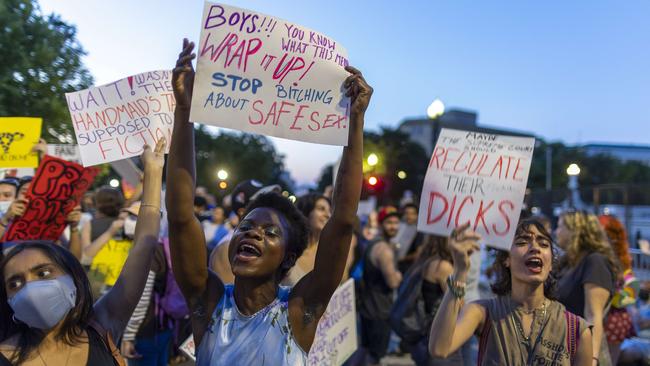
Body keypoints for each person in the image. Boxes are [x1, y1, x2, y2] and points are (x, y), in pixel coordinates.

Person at [166, 39, 371, 365]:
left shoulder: (300, 311)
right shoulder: (209, 304)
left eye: (269, 232)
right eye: (246, 227)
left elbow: (343, 220)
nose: (252, 234)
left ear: (288, 256)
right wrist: (183, 112)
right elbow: (179, 218)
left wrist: (355, 123)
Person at [0, 139, 166, 365]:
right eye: (15, 283)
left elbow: (144, 247)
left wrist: (154, 173)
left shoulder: (102, 325)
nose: (30, 287)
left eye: (43, 273)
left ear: (73, 278)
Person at [429, 219, 593, 365]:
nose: (535, 247)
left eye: (543, 244)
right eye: (522, 242)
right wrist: (460, 270)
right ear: (506, 259)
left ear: (550, 263)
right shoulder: (483, 312)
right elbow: (439, 348)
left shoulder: (576, 330)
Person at [556, 211, 620, 365]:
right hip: (562, 350)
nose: (555, 231)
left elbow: (593, 316)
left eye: (560, 226)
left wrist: (591, 359)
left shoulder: (595, 262)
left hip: (582, 354)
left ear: (575, 230)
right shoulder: (568, 262)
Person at [391, 234, 463, 365]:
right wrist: (462, 270)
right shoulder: (444, 266)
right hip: (437, 338)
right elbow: (458, 303)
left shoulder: (427, 260)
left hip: (423, 339)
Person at [209, 179, 281, 283]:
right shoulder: (227, 249)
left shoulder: (263, 243)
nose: (271, 207)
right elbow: (230, 297)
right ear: (243, 212)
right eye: (263, 202)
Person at [359, 206, 403, 366]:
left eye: (397, 222)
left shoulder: (373, 243)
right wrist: (399, 275)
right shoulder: (384, 249)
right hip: (379, 311)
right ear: (381, 223)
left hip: (368, 307)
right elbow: (393, 282)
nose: (394, 226)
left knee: (364, 349)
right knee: (374, 356)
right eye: (389, 222)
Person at [282, 193, 357, 286]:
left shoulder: (331, 252)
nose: (328, 215)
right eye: (321, 209)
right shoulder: (288, 251)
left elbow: (343, 281)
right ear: (306, 212)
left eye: (330, 211)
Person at [394, 203, 424, 273]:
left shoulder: (419, 232)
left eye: (412, 214)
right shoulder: (399, 227)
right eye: (406, 213)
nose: (409, 216)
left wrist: (403, 258)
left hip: (407, 268)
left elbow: (418, 254)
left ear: (417, 215)